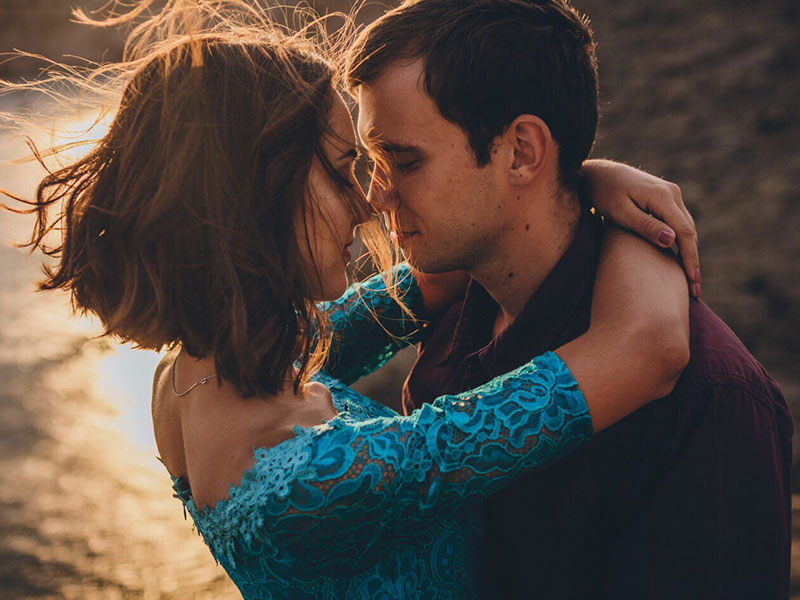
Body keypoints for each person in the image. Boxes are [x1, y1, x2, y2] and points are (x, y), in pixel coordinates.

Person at [2, 3, 694, 599]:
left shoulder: (201, 375)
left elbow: (434, 277)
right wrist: (638, 213)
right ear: (254, 198)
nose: (367, 203)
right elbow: (649, 348)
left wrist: (577, 173)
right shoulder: (324, 482)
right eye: (340, 173)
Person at [346, 0, 793, 598]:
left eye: (403, 160)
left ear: (524, 151)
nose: (375, 196)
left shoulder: (708, 403)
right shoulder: (454, 305)